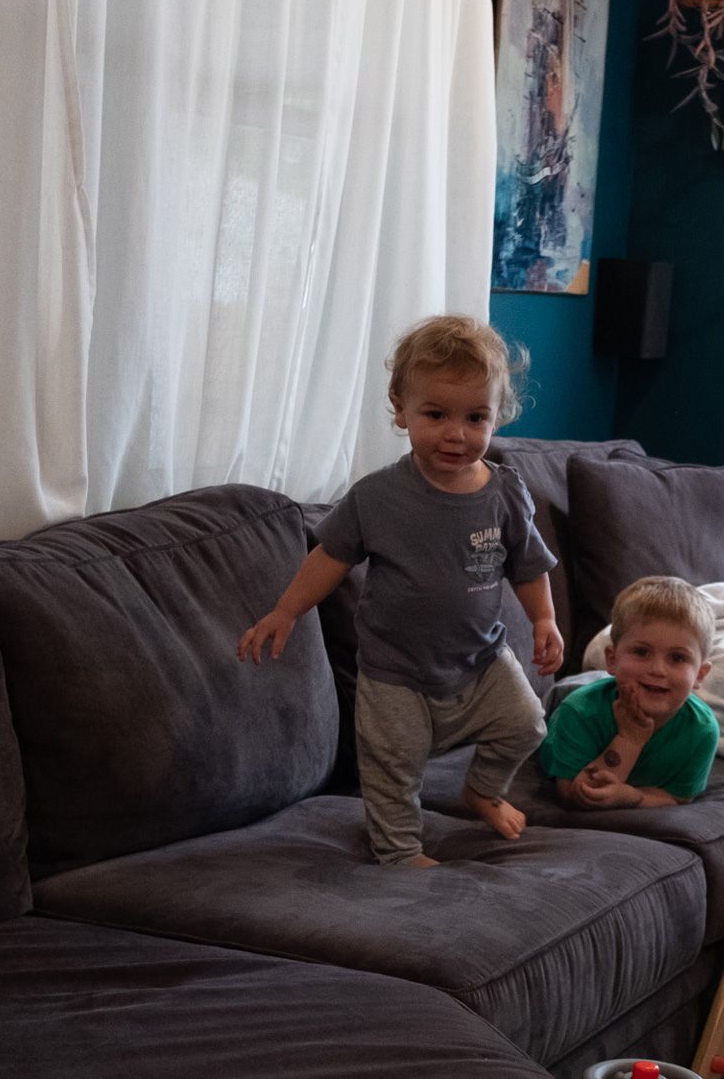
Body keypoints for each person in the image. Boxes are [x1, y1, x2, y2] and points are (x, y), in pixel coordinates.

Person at [238, 314, 563, 866]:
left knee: (526, 724)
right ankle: (399, 850)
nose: (456, 434)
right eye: (436, 415)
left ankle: (482, 790)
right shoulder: (377, 497)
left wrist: (544, 620)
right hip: (396, 671)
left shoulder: (506, 493)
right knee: (394, 764)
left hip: (482, 658)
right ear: (401, 410)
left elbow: (528, 566)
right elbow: (330, 558)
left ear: (496, 416)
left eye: (475, 417)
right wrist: (286, 611)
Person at [537, 576, 718, 809]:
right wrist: (630, 738)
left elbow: (678, 797)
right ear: (611, 659)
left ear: (700, 675)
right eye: (641, 652)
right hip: (574, 699)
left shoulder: (702, 730)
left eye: (677, 658)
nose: (657, 670)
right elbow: (578, 796)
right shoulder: (578, 713)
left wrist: (634, 797)